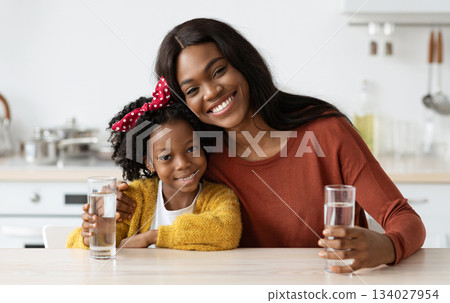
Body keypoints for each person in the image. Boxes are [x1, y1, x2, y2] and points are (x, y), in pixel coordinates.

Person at [115, 18, 425, 273]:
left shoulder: (327, 133)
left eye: (219, 71)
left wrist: (386, 246)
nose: (211, 92)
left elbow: (403, 218)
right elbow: (154, 209)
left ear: (243, 64)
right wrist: (115, 209)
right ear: (183, 102)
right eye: (193, 89)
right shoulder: (201, 157)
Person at [67, 77, 242, 251]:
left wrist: (151, 237)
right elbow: (75, 246)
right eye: (166, 157)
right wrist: (92, 236)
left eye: (192, 149)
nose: (182, 164)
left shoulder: (219, 196)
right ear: (149, 163)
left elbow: (227, 232)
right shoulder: (134, 199)